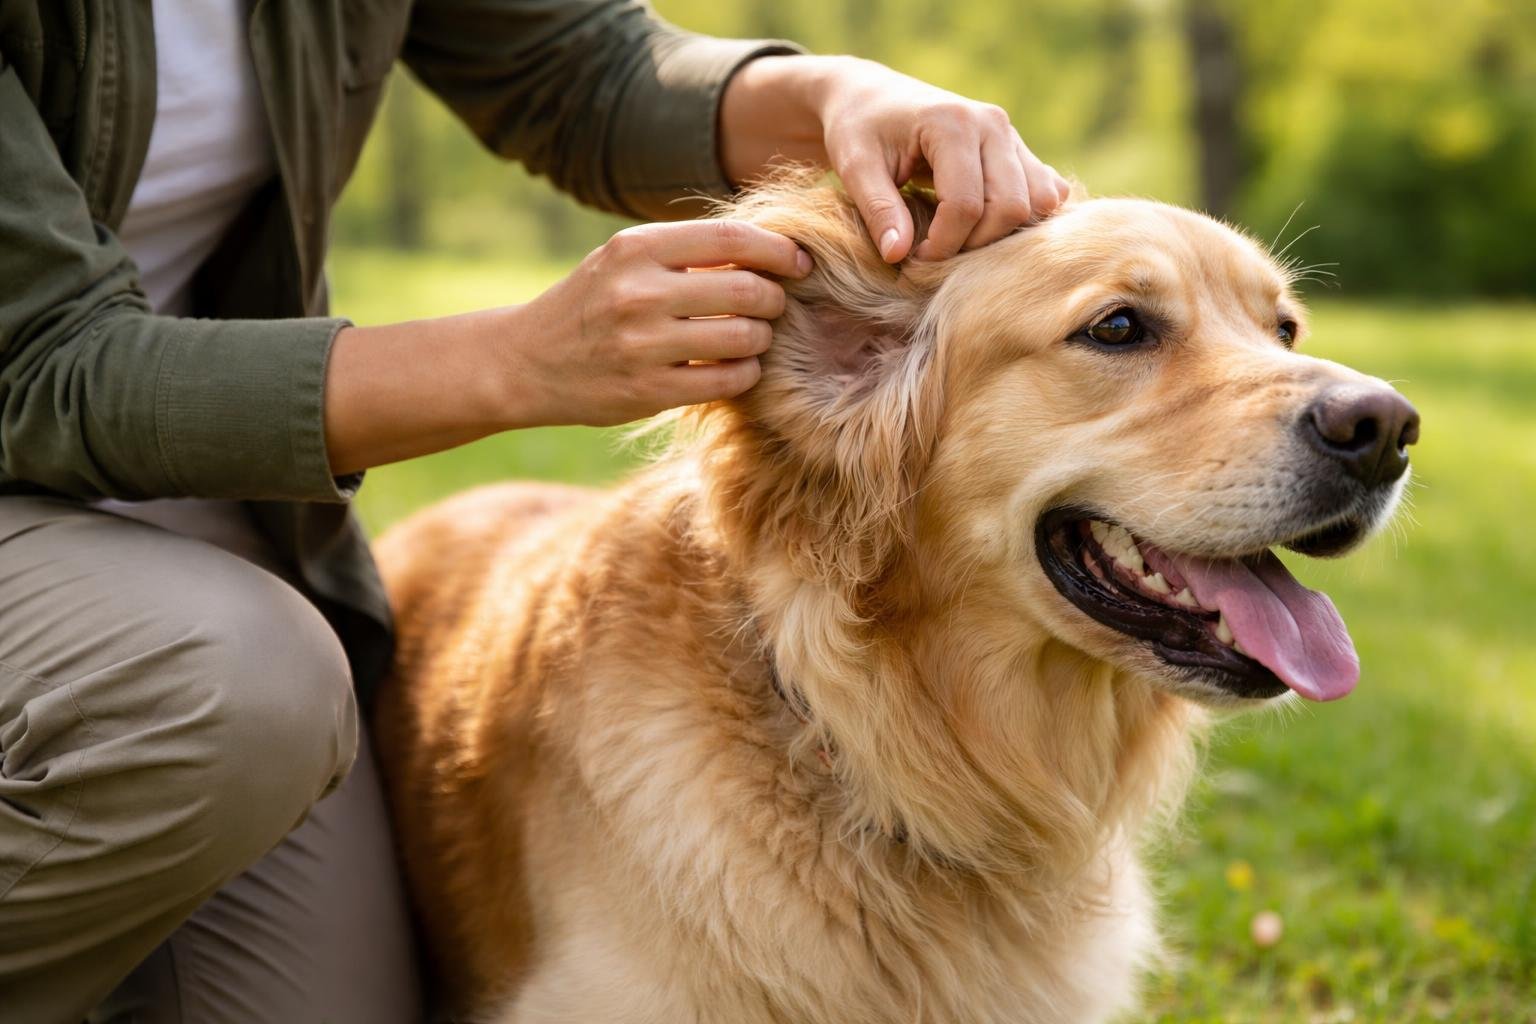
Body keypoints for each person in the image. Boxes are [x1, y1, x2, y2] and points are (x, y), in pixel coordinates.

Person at [0, 1, 1069, 1020]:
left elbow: (577, 66)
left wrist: (838, 94)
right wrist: (516, 360)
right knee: (248, 685)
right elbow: (45, 366)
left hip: (208, 501)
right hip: (40, 484)